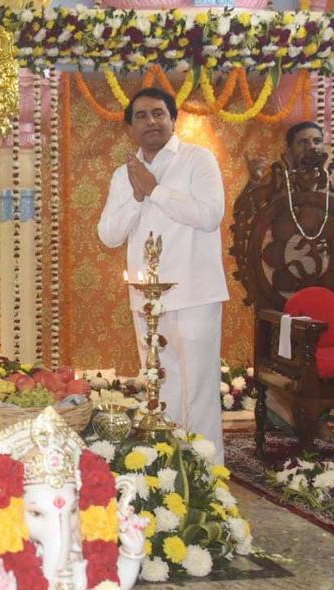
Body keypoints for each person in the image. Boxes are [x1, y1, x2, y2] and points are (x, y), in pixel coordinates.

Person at [96, 87, 227, 463]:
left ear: (173, 120)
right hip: (147, 298)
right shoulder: (124, 176)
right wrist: (137, 197)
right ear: (130, 128)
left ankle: (206, 471)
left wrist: (156, 190)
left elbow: (209, 214)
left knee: (198, 388)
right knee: (159, 384)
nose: (151, 121)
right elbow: (108, 235)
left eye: (158, 114)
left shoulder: (198, 161)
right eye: (141, 115)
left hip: (195, 292)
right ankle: (169, 468)